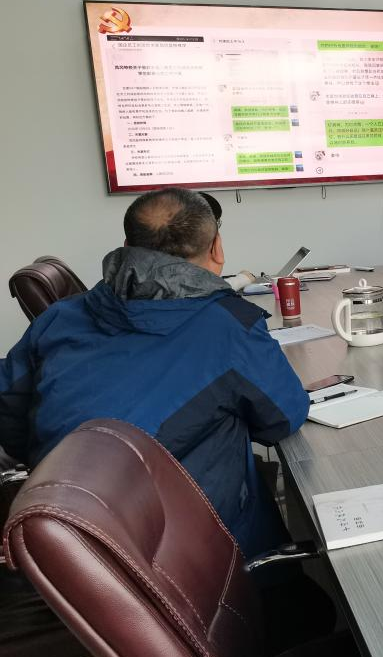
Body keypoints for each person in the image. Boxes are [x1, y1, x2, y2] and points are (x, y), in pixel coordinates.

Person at [0, 187, 310, 557]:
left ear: (127, 247)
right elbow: (282, 419)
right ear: (217, 248)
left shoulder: (57, 317)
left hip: (58, 543)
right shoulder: (229, 326)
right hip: (191, 557)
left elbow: (10, 423)